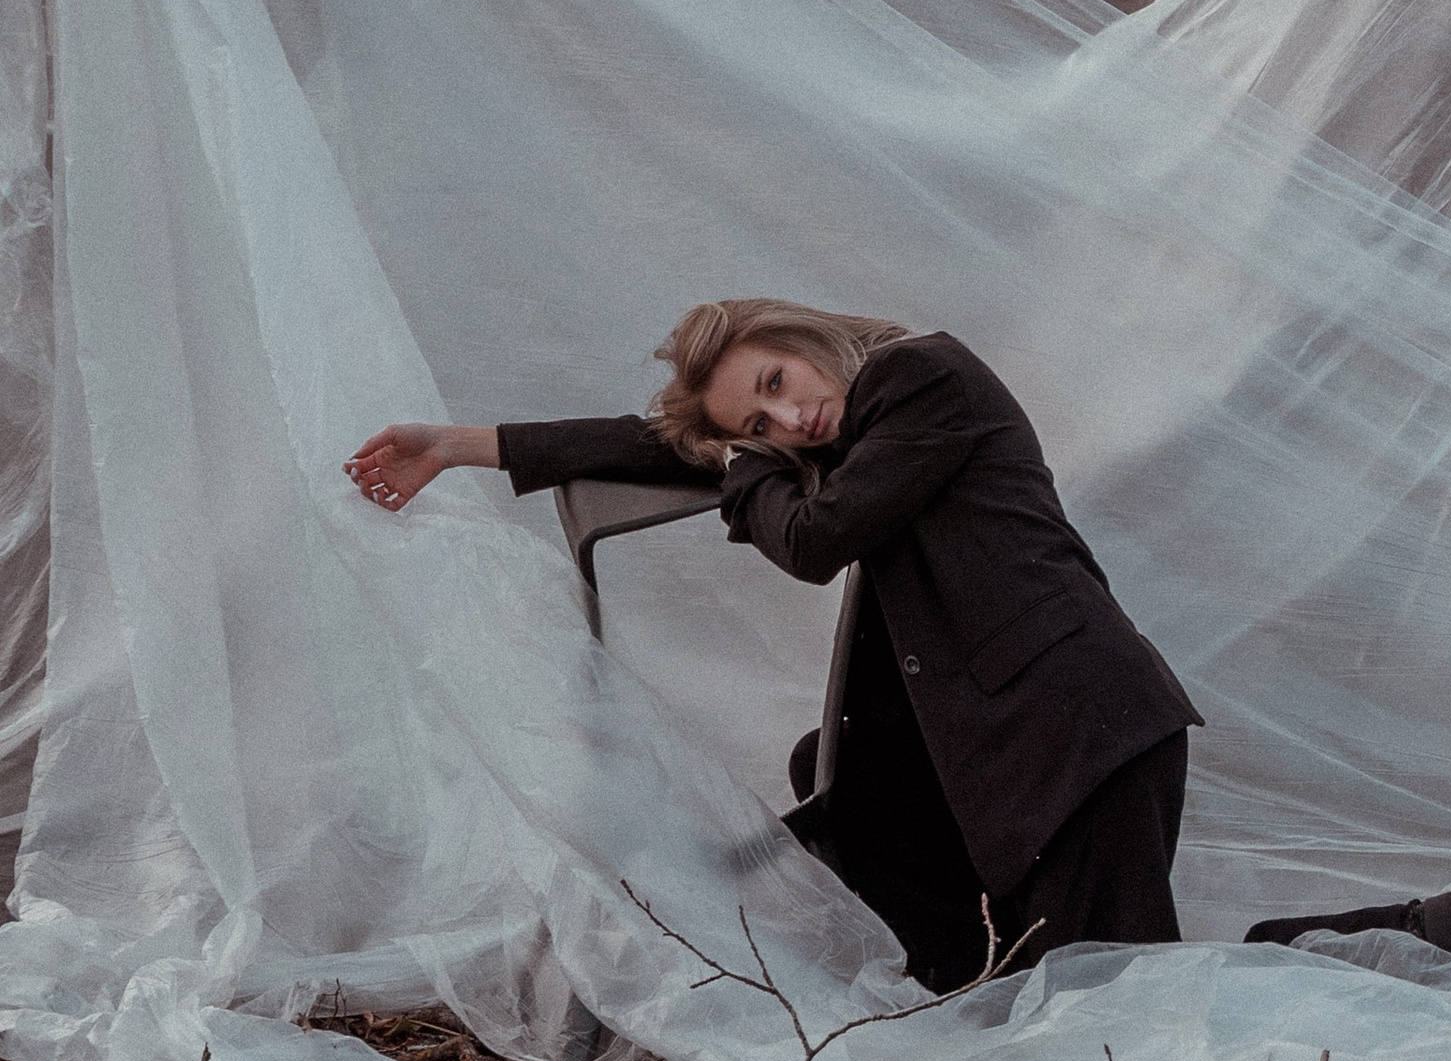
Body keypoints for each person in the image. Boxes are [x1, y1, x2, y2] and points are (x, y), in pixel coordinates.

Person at [344, 298, 1199, 996]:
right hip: (1007, 748)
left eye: (777, 381)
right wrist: (460, 446)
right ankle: (963, 984)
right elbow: (659, 444)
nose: (792, 418)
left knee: (1117, 1009)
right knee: (856, 794)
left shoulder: (921, 375)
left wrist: (744, 459)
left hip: (1079, 728)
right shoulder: (847, 435)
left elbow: (814, 538)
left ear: (796, 335)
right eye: (762, 420)